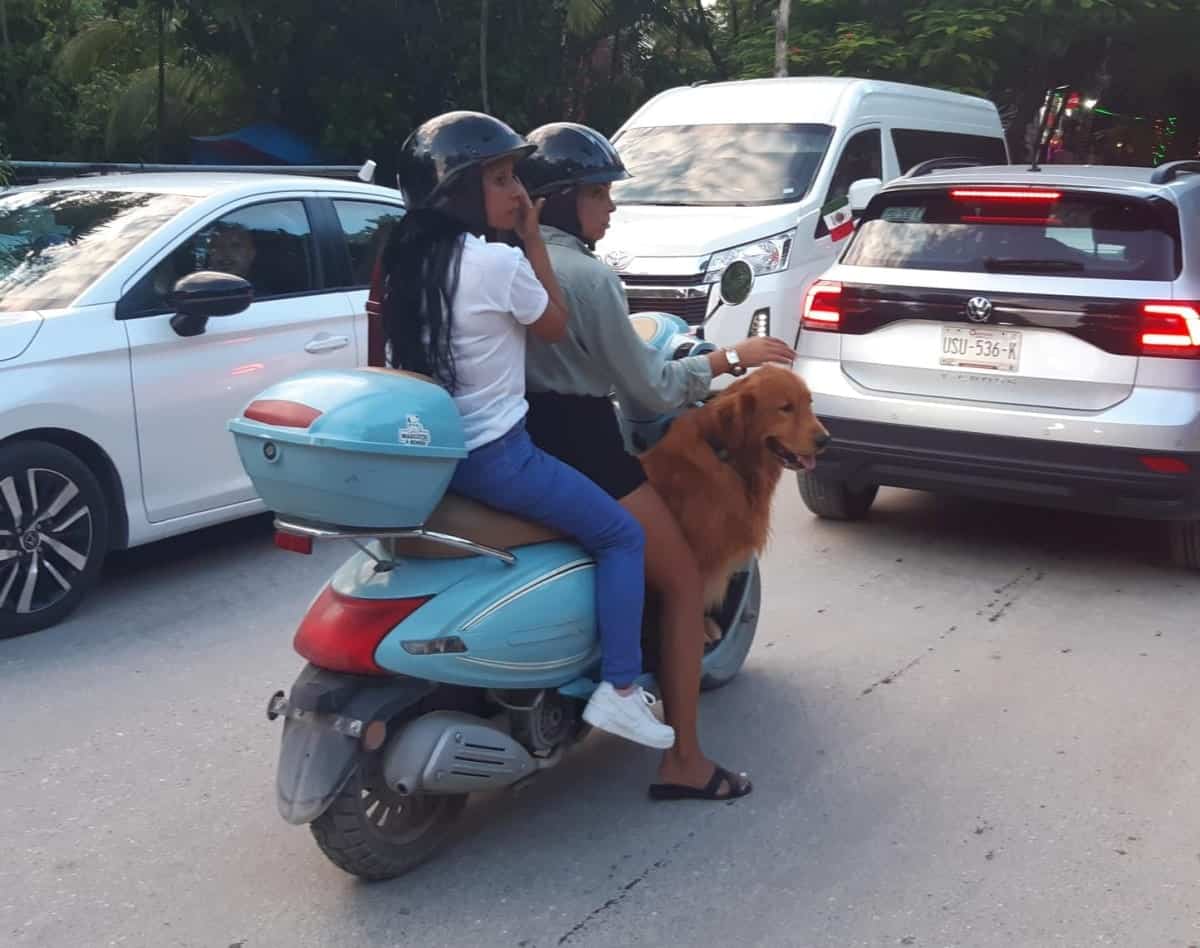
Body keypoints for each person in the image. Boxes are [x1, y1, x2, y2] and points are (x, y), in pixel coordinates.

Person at [518, 122, 797, 801]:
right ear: (560, 201)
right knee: (678, 582)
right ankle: (686, 762)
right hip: (581, 442)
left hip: (514, 437)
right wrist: (731, 358)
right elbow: (648, 388)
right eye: (599, 193)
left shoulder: (498, 262)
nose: (611, 207)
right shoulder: (585, 277)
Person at [380, 111, 674, 750]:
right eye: (503, 179)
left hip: (430, 452)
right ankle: (622, 689)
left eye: (518, 179)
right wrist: (533, 239)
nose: (518, 194)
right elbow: (552, 325)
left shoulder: (405, 263)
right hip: (497, 456)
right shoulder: (495, 263)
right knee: (622, 537)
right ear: (458, 190)